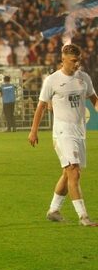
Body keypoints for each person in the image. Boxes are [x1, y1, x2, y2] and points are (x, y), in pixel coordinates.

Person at [29, 43, 98, 226]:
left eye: (78, 60)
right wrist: (33, 131)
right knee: (73, 172)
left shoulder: (84, 78)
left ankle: (54, 210)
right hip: (62, 131)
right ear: (63, 59)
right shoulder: (52, 80)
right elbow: (41, 106)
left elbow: (94, 99)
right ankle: (83, 217)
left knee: (70, 174)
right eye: (73, 61)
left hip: (79, 131)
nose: (77, 64)